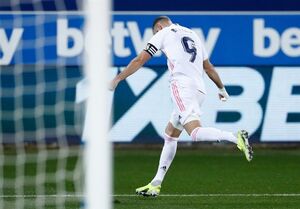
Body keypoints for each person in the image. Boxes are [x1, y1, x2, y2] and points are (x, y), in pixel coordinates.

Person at [109, 16, 253, 197]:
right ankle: (156, 183)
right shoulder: (193, 34)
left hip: (182, 86)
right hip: (199, 89)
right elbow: (208, 67)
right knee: (170, 135)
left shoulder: (163, 33)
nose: (156, 34)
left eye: (155, 31)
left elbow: (139, 60)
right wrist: (222, 89)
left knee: (194, 132)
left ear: (159, 26)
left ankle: (234, 137)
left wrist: (117, 79)